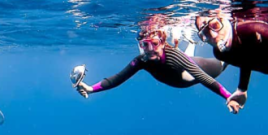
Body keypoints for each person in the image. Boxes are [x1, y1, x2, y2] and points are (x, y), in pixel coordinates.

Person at [73, 27, 232, 102]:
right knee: (186, 61)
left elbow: (203, 77)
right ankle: (190, 42)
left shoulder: (175, 57)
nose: (149, 50)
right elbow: (118, 78)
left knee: (223, 61)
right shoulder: (142, 61)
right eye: (144, 45)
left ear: (163, 43)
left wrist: (228, 96)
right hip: (180, 73)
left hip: (194, 70)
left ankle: (232, 47)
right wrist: (90, 89)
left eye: (154, 44)